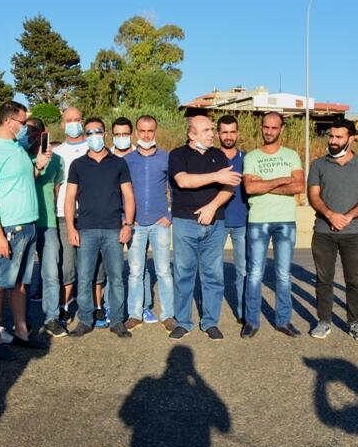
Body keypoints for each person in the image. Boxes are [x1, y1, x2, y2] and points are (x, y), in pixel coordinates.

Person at [0, 101, 50, 359]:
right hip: (10, 227)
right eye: (22, 123)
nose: (25, 128)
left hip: (28, 225)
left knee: (20, 284)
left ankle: (21, 332)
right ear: (9, 122)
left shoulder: (16, 148)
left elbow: (23, 178)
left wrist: (38, 165)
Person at [168, 114, 240, 341]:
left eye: (211, 130)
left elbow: (229, 188)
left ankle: (210, 322)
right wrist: (216, 176)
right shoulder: (177, 155)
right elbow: (183, 181)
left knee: (213, 275)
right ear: (192, 134)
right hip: (184, 223)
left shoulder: (218, 156)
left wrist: (211, 207)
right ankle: (183, 322)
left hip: (215, 224)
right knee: (184, 274)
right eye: (207, 130)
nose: (212, 134)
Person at [307, 118, 358, 342]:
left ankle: (355, 323)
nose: (333, 141)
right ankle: (324, 321)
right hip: (324, 232)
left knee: (354, 280)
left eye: (339, 137)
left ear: (351, 138)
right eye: (331, 136)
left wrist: (348, 217)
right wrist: (330, 215)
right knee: (323, 279)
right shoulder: (318, 164)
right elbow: (313, 195)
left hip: (354, 232)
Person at [66, 117, 135, 339]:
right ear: (85, 136)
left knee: (116, 277)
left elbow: (128, 195)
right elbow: (69, 199)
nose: (93, 136)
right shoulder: (78, 165)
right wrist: (70, 227)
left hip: (113, 229)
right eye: (89, 132)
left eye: (97, 131)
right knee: (84, 277)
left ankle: (116, 320)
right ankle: (85, 320)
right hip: (85, 229)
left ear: (105, 134)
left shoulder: (118, 163)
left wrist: (129, 224)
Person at [241, 112, 305, 338]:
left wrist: (263, 184)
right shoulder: (251, 157)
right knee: (255, 272)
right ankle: (251, 321)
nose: (269, 131)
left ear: (282, 129)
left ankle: (283, 320)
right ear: (261, 127)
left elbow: (299, 186)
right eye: (265, 127)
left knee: (283, 274)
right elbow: (249, 188)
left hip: (285, 221)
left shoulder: (291, 155)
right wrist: (280, 180)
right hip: (258, 220)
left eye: (274, 128)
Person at [123, 115, 173, 331]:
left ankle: (168, 315)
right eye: (142, 131)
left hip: (159, 222)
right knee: (135, 271)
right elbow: (120, 192)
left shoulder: (166, 158)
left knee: (163, 271)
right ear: (136, 133)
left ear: (155, 132)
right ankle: (135, 314)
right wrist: (124, 219)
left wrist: (169, 216)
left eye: (150, 131)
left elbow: (176, 189)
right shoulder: (127, 160)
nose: (146, 135)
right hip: (135, 224)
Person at [25, 117, 67, 337]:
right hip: (24, 222)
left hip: (48, 223)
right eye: (27, 131)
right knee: (22, 277)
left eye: (35, 131)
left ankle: (51, 317)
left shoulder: (57, 160)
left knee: (51, 273)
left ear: (44, 133)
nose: (30, 135)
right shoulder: (19, 157)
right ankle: (23, 321)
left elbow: (58, 190)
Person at [52, 107, 89, 321]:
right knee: (66, 266)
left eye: (77, 119)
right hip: (63, 216)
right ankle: (64, 306)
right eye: (69, 120)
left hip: (90, 215)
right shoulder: (57, 153)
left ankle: (91, 306)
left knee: (90, 264)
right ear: (62, 124)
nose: (74, 124)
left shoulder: (93, 149)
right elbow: (56, 186)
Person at [216, 115, 248, 324]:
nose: (228, 136)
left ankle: (243, 313)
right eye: (224, 132)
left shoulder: (247, 159)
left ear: (237, 133)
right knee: (213, 271)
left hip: (243, 223)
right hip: (216, 222)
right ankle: (212, 314)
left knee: (243, 270)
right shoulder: (210, 158)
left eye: (232, 132)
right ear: (218, 133)